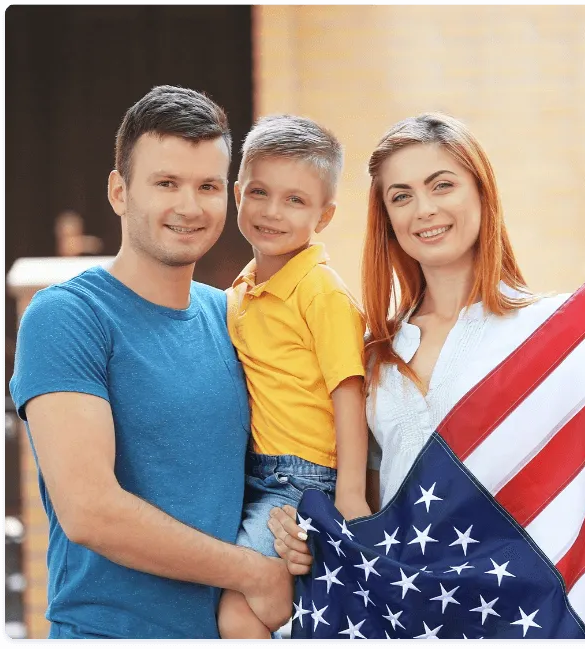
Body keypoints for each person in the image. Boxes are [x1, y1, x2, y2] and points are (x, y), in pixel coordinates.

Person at [266, 113, 585, 575]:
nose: (424, 209)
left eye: (442, 185)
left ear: (481, 191)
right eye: (401, 196)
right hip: (411, 612)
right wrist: (313, 543)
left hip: (519, 608)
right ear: (387, 218)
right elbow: (369, 512)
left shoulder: (550, 331)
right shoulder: (374, 358)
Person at [9, 85, 293, 639]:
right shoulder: (69, 316)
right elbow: (90, 510)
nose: (189, 207)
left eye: (207, 186)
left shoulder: (234, 316)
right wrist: (254, 574)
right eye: (166, 183)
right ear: (119, 191)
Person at [217, 115, 372, 639]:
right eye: (259, 192)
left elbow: (347, 390)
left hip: (302, 480)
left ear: (324, 216)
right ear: (238, 192)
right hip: (253, 475)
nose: (272, 212)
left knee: (239, 610)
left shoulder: (321, 292)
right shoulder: (239, 291)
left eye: (296, 201)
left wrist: (350, 493)